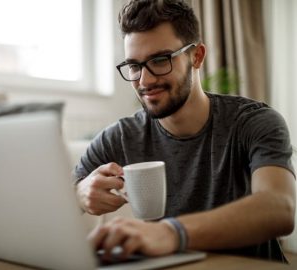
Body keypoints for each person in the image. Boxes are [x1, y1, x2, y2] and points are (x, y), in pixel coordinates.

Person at [73, 0, 296, 263]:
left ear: (197, 56)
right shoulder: (120, 136)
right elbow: (60, 199)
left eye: (159, 60)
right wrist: (81, 194)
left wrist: (171, 233)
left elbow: (280, 208)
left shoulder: (253, 122)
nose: (144, 81)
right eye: (134, 65)